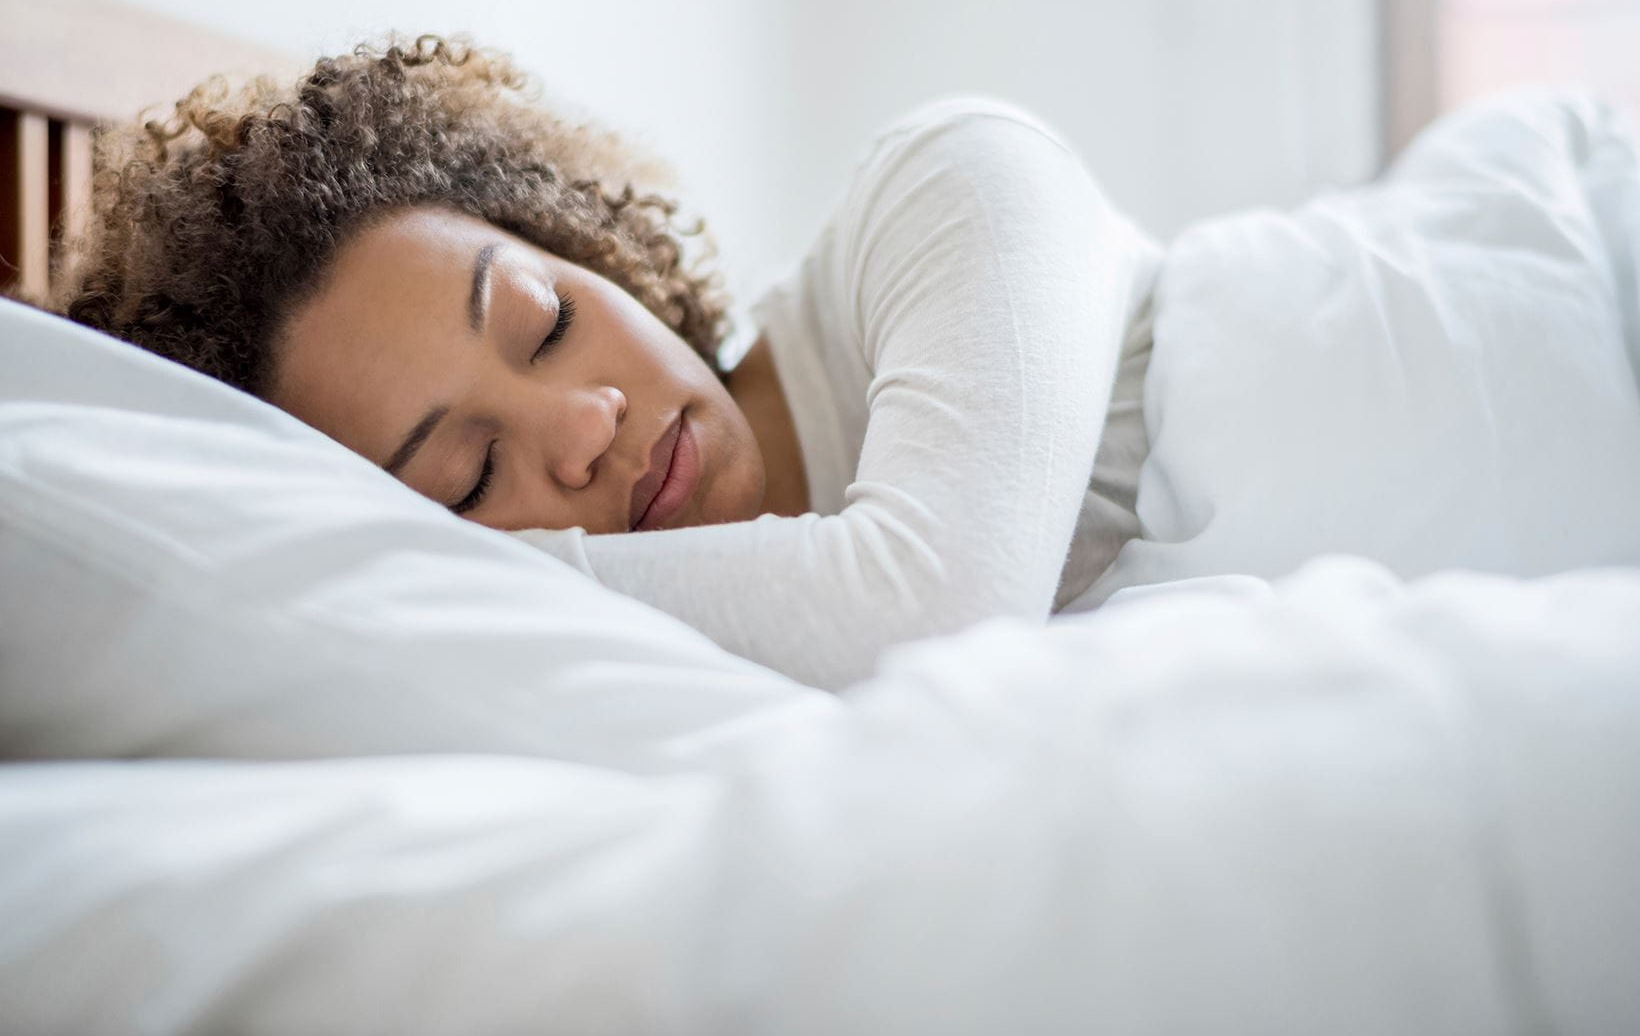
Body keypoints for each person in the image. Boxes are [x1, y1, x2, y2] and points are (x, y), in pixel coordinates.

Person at [47, 34, 1161, 689]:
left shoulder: (947, 183)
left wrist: (448, 572)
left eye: (546, 323)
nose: (583, 427)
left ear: (584, 246)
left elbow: (936, 612)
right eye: (469, 481)